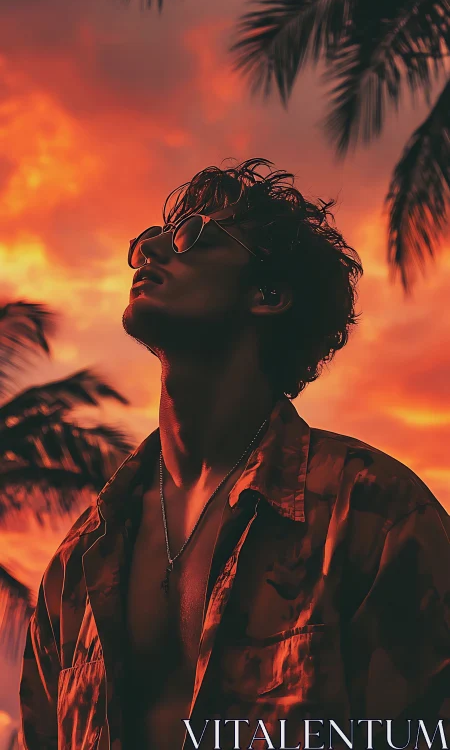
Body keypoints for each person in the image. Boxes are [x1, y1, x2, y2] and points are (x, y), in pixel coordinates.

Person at [20, 159, 450, 750]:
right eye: (147, 241)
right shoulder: (77, 565)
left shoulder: (372, 513)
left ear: (267, 295)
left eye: (192, 238)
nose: (149, 252)